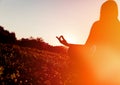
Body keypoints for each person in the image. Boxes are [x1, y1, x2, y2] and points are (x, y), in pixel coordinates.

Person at [57, 0, 120, 85]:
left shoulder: (98, 25)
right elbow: (88, 46)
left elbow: (87, 47)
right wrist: (68, 44)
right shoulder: (106, 25)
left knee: (73, 52)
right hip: (108, 68)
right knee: (72, 51)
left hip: (100, 66)